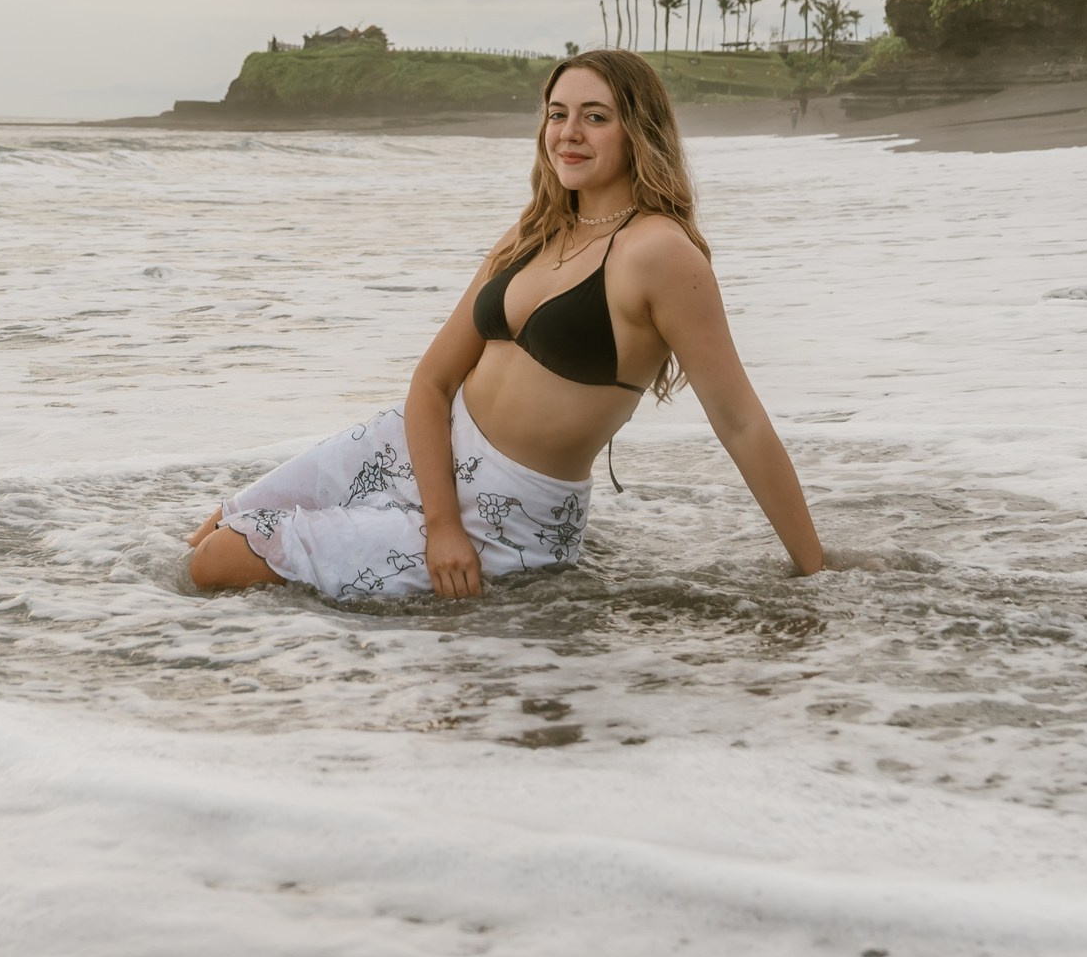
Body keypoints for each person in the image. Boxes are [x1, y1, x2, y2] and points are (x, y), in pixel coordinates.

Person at [186, 48, 826, 599]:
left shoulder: (660, 254)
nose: (568, 133)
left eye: (595, 117)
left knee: (218, 564)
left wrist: (817, 571)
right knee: (218, 526)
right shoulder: (535, 228)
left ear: (639, 130)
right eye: (558, 114)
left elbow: (740, 421)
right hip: (421, 442)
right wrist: (438, 520)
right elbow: (433, 380)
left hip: (508, 513)